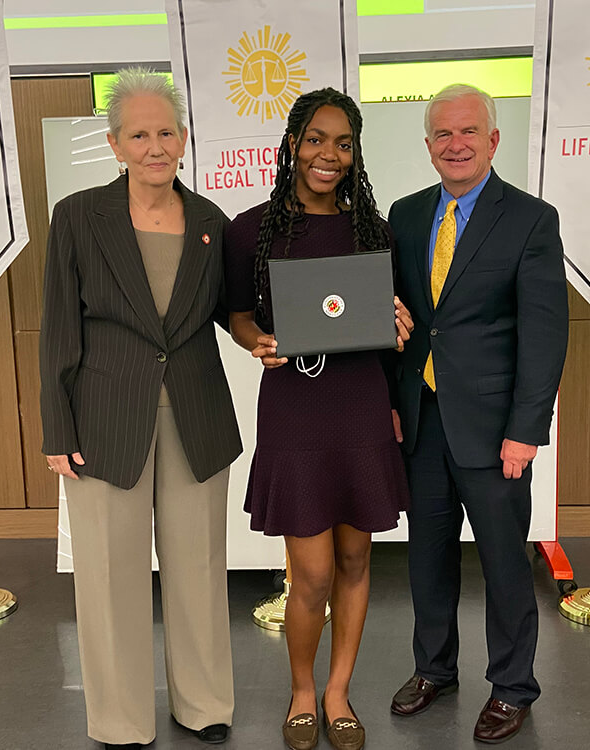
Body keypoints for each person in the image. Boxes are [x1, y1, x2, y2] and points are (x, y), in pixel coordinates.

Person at [39, 68, 242, 749]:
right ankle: (121, 721)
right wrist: (55, 427)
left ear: (183, 139)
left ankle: (205, 706)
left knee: (198, 569)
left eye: (166, 131)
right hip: (102, 421)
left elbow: (229, 313)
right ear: (115, 144)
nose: (155, 146)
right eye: (139, 134)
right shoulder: (77, 217)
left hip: (196, 417)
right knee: (108, 578)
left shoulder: (212, 222)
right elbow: (58, 329)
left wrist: (274, 337)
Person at [223, 87, 413, 750]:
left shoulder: (373, 230)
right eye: (315, 139)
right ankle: (301, 690)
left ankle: (338, 693)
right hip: (295, 413)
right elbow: (237, 310)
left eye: (342, 143)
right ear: (292, 145)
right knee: (310, 573)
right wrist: (255, 341)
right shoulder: (252, 229)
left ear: (355, 154)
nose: (327, 155)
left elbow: (390, 317)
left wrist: (398, 324)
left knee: (357, 559)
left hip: (359, 406)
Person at [387, 83, 568, 744]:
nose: (455, 144)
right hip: (423, 419)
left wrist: (526, 430)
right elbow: (400, 321)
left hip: (496, 432)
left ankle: (513, 686)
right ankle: (434, 669)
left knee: (501, 561)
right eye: (443, 134)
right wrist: (391, 404)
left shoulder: (529, 219)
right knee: (426, 556)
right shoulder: (404, 216)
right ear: (429, 145)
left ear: (493, 141)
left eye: (469, 132)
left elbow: (545, 336)